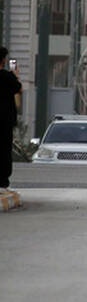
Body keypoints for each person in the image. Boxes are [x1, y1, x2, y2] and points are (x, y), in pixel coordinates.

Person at [0, 47, 22, 193]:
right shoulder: (7, 77)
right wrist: (15, 75)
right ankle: (2, 181)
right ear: (3, 60)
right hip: (4, 120)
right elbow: (18, 89)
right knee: (4, 150)